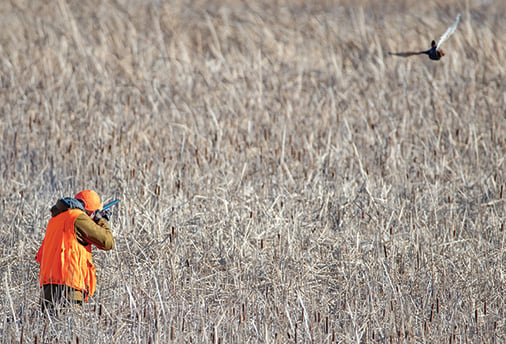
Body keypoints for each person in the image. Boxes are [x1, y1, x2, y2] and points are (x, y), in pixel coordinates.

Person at [36, 190, 115, 314]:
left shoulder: (55, 219)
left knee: (48, 329)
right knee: (67, 330)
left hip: (48, 287)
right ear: (91, 211)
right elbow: (107, 242)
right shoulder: (78, 217)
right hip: (69, 288)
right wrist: (101, 220)